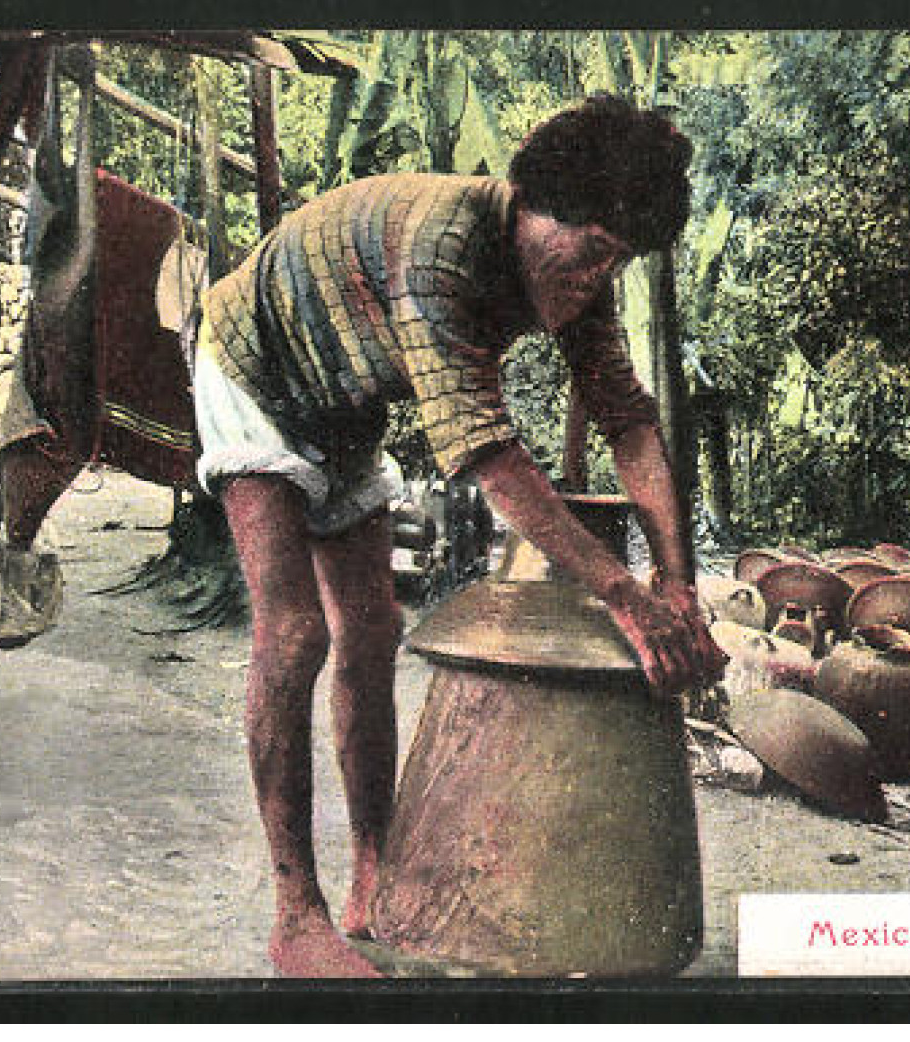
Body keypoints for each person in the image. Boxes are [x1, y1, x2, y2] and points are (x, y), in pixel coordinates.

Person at [189, 94, 727, 978]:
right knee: (295, 633)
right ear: (529, 205)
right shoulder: (446, 249)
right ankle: (296, 915)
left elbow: (629, 422)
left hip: (347, 407)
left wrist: (678, 584)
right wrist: (623, 597)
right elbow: (490, 459)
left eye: (616, 260)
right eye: (590, 250)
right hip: (257, 369)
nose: (596, 276)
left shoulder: (579, 275)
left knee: (373, 632)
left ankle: (372, 872)